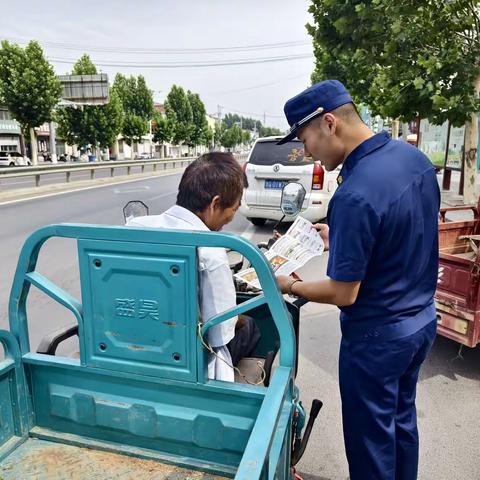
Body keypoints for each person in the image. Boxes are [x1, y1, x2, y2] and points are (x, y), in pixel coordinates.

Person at [276, 80, 439, 480]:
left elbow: (343, 293)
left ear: (329, 123)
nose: (306, 151)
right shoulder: (412, 159)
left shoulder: (353, 193)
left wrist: (289, 285)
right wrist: (341, 237)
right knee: (401, 425)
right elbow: (403, 231)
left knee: (371, 445)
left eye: (306, 138)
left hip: (376, 340)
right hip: (420, 324)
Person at [126, 152, 260, 382]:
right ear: (215, 204)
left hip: (130, 349)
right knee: (250, 326)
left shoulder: (134, 229)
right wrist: (239, 319)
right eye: (233, 210)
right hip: (192, 365)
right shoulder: (211, 251)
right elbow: (219, 334)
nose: (230, 218)